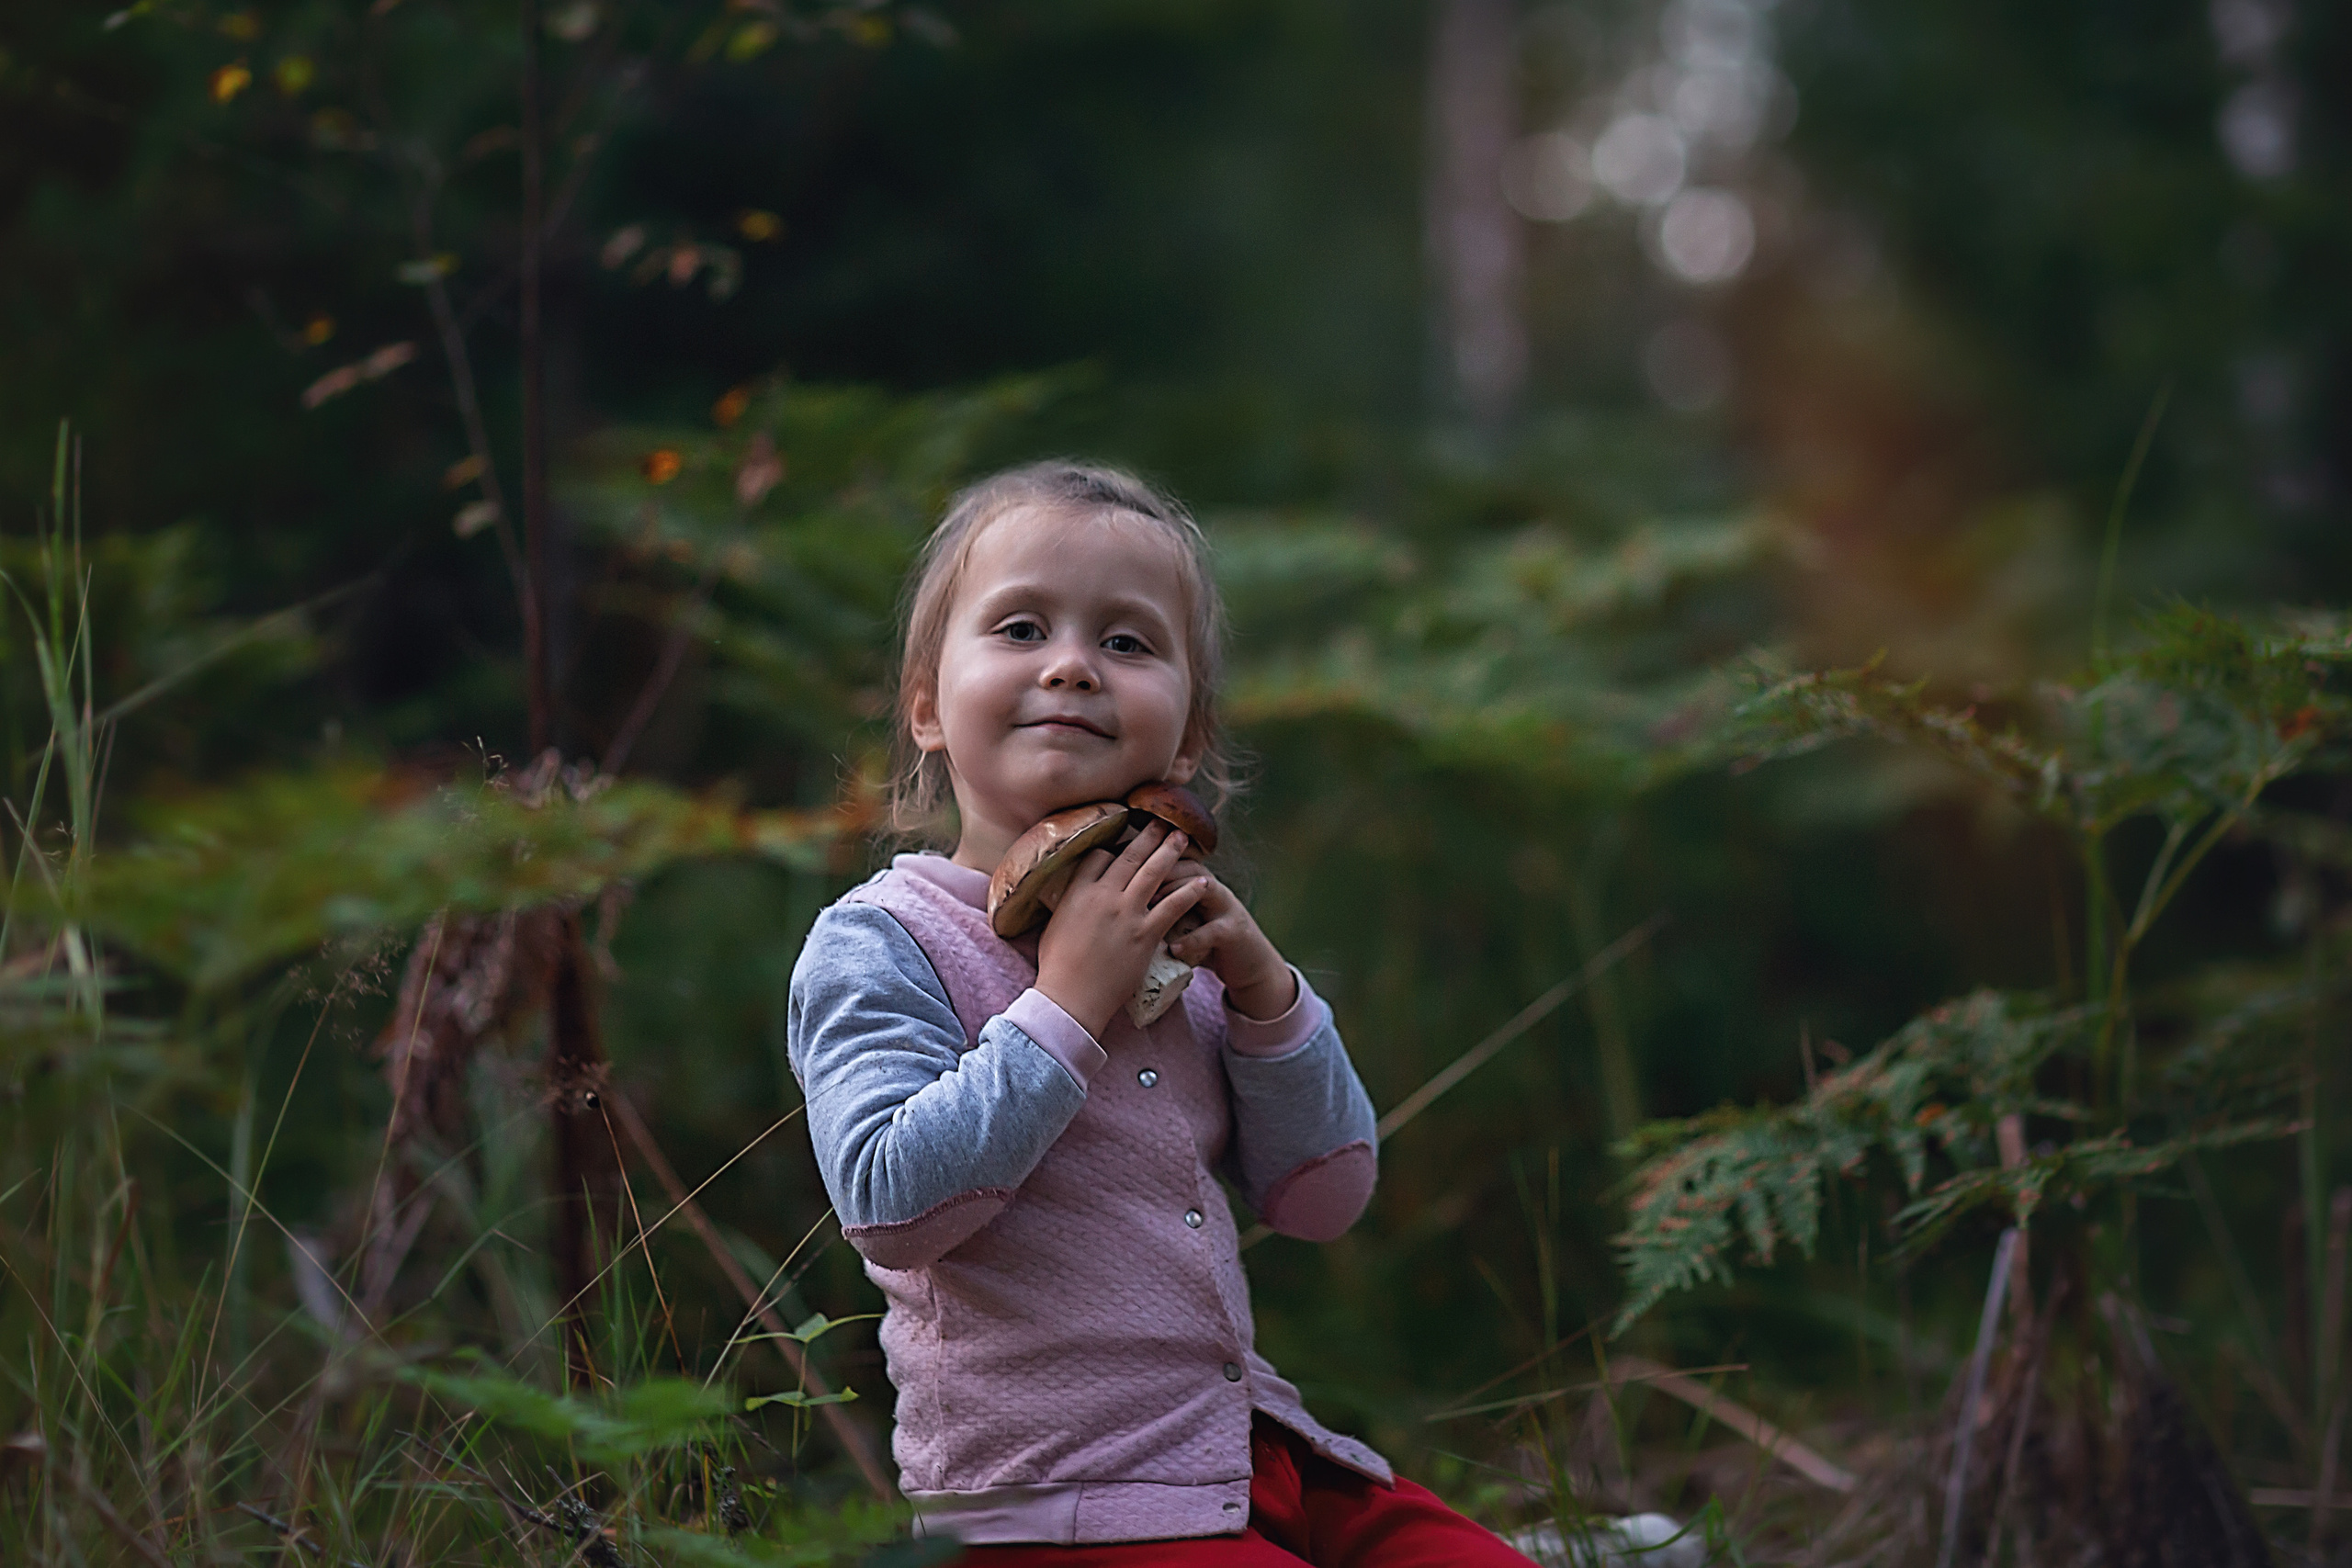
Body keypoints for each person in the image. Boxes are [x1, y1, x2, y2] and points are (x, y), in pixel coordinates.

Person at [787, 462, 1534, 1566]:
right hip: (1050, 1504)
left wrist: (1265, 995)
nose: (1074, 665)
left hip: (1250, 1451)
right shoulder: (883, 940)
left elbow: (1324, 1196)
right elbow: (891, 1204)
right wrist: (1068, 1002)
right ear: (927, 705)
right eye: (1022, 626)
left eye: (1129, 644)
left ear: (1185, 739)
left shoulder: (1178, 947)